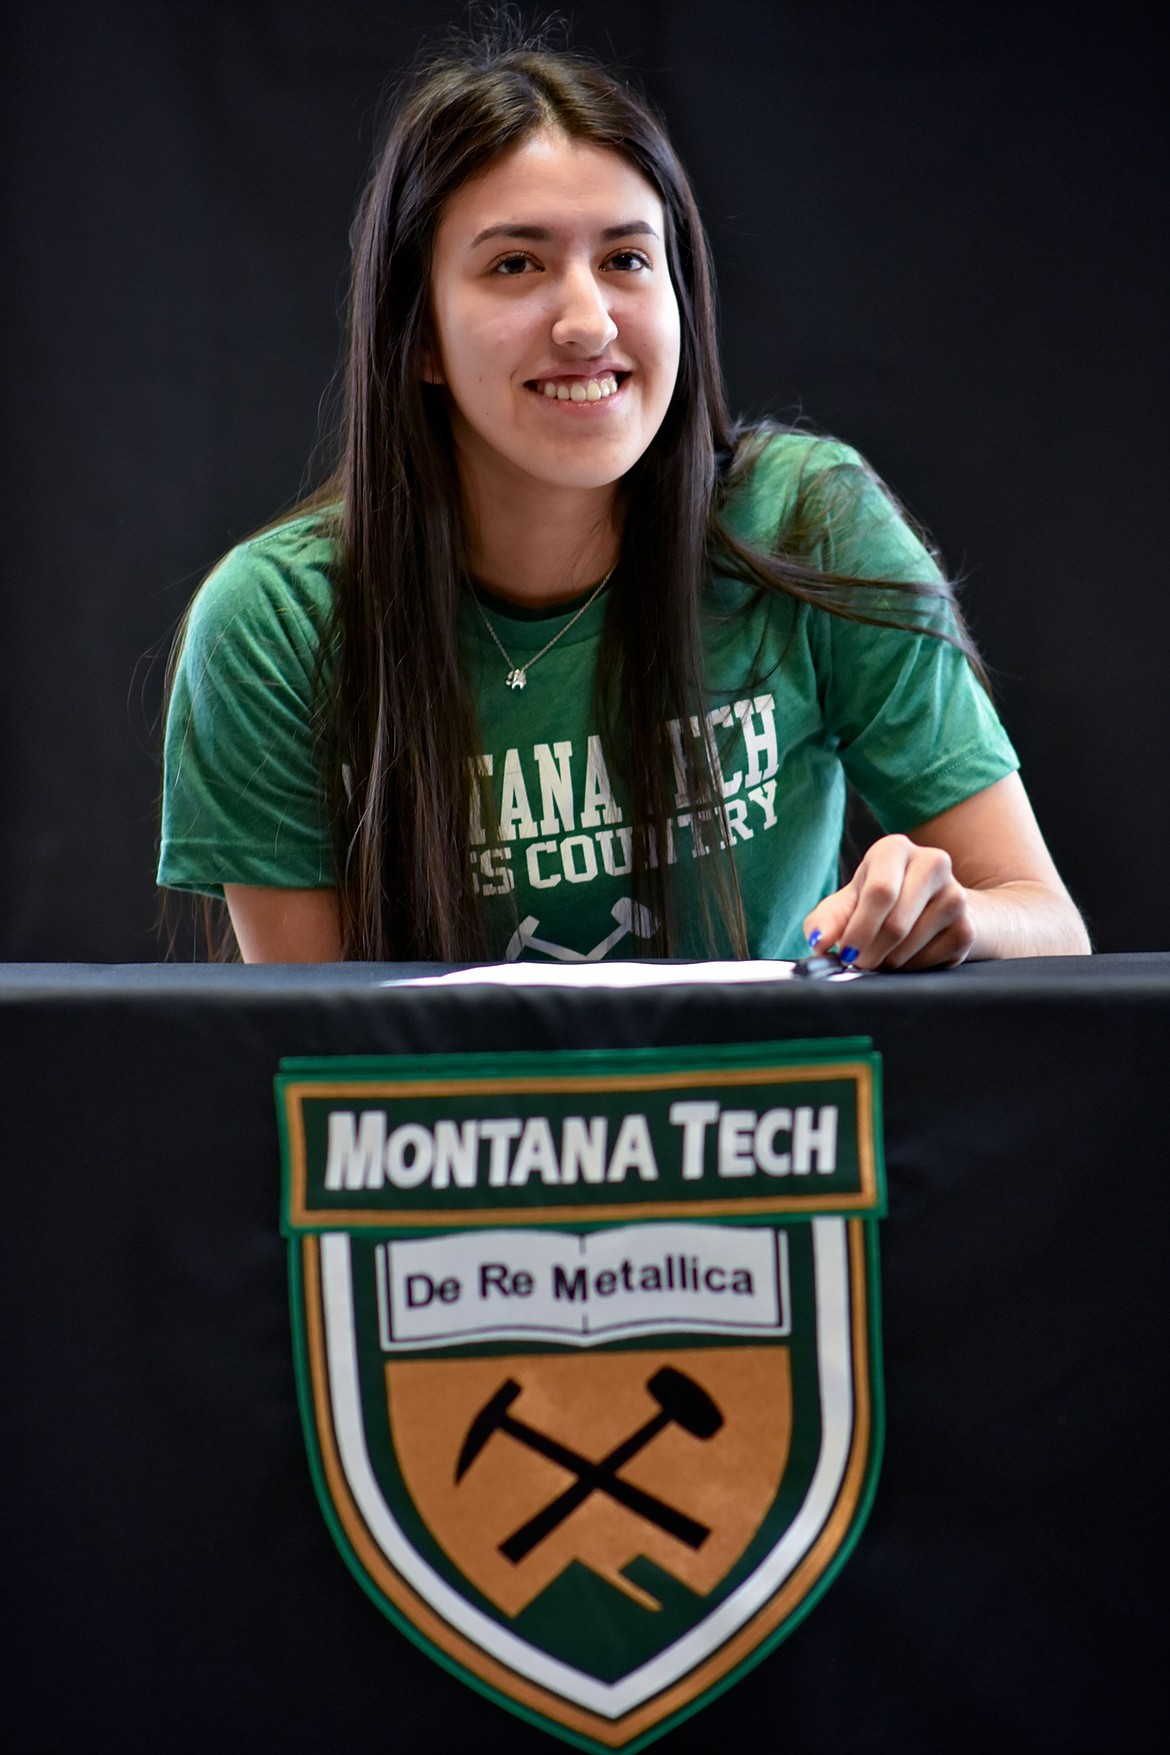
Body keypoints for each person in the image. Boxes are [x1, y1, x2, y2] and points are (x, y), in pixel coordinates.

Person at [158, 31, 1089, 970]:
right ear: (420, 339)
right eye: (515, 264)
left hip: (763, 1118)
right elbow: (314, 1063)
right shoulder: (273, 624)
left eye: (627, 261)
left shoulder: (810, 521)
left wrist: (952, 919)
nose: (588, 322)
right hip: (456, 1122)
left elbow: (1049, 925)